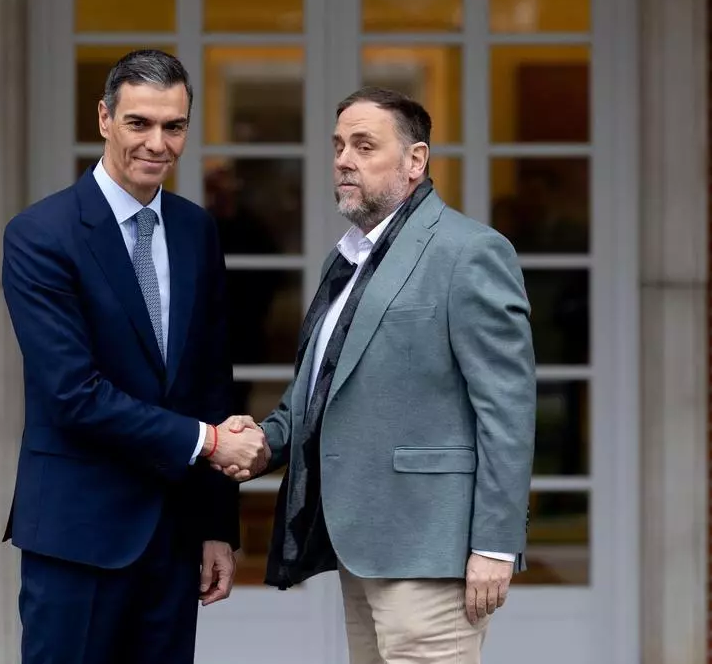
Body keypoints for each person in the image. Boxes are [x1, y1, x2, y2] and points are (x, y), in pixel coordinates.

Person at [216, 86, 537, 663]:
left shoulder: (470, 251)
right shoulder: (346, 258)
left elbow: (506, 411)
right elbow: (317, 393)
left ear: (416, 160)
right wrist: (263, 442)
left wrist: (495, 543)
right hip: (360, 547)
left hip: (432, 551)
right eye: (339, 145)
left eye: (364, 146)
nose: (344, 159)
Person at [0, 49, 269, 664]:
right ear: (104, 118)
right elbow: (73, 394)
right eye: (139, 123)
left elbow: (210, 380)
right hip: (78, 536)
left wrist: (216, 526)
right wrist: (208, 442)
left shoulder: (196, 230)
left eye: (174, 126)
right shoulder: (41, 234)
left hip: (173, 538)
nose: (157, 143)